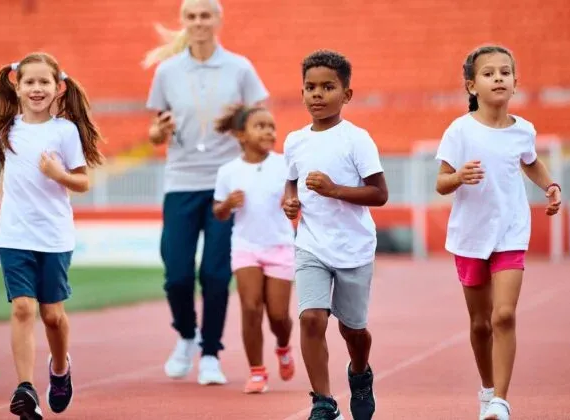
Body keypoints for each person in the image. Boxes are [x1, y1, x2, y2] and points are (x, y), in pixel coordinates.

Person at [143, 0, 270, 385]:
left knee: (215, 275)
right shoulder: (167, 71)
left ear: (218, 20)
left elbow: (260, 120)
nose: (198, 22)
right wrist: (156, 134)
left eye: (205, 15)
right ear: (183, 22)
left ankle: (211, 353)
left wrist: (238, 124)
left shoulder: (240, 67)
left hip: (225, 184)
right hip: (180, 183)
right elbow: (155, 129)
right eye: (191, 16)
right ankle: (186, 336)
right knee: (177, 275)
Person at [434, 44, 562, 420]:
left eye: (505, 72)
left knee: (503, 316)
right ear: (472, 86)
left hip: (510, 232)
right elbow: (440, 183)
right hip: (470, 237)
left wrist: (550, 186)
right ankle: (487, 389)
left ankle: (500, 401)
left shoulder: (523, 130)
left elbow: (532, 162)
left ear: (515, 82)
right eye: (489, 73)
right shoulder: (459, 131)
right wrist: (458, 177)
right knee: (480, 323)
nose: (498, 78)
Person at [0, 52, 104, 420]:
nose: (36, 89)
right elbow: (8, 172)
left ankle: (60, 370)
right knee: (22, 308)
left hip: (53, 235)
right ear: (17, 87)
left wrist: (57, 173)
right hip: (15, 235)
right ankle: (25, 389)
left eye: (44, 82)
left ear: (58, 87)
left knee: (52, 316)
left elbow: (82, 181)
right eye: (29, 82)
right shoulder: (6, 129)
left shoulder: (65, 131)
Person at [282, 50, 388, 420]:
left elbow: (380, 194)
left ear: (347, 94)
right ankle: (323, 402)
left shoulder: (356, 140)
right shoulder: (295, 141)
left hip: (354, 248)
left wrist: (334, 190)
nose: (317, 94)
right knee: (312, 317)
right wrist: (291, 202)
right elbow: (290, 183)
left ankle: (360, 372)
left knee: (352, 330)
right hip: (311, 244)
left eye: (328, 87)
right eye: (310, 87)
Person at [212, 104, 296, 394]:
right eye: (260, 126)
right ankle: (257, 371)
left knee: (278, 316)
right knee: (250, 308)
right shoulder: (228, 172)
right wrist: (227, 205)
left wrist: (291, 205)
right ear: (241, 135)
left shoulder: (285, 164)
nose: (269, 131)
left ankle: (283, 346)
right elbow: (218, 212)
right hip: (246, 246)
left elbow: (295, 199)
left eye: (271, 126)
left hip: (280, 246)